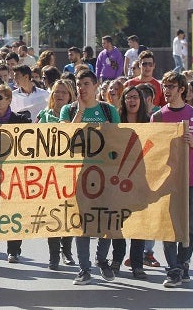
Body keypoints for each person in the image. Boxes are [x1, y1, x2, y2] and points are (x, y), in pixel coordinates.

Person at [59, 70, 120, 285]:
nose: (82, 88)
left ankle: (101, 260)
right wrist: (80, 113)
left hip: (106, 177)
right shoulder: (68, 110)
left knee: (107, 220)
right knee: (82, 223)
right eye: (78, 84)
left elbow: (119, 143)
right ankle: (84, 269)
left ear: (96, 86)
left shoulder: (108, 110)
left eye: (86, 83)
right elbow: (65, 139)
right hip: (79, 176)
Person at [152, 72, 193, 287]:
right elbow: (152, 151)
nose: (166, 90)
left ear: (182, 89)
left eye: (171, 86)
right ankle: (172, 269)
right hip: (167, 180)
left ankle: (184, 264)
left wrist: (192, 143)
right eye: (164, 86)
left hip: (191, 178)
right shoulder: (158, 117)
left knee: (188, 226)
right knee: (168, 225)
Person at [0, 83, 31, 261]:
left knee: (13, 210)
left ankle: (13, 249)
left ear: (9, 99)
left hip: (14, 173)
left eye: (0, 98)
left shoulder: (21, 120)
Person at [36, 79, 77, 269]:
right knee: (52, 213)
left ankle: (66, 251)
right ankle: (53, 255)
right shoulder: (43, 115)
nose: (59, 95)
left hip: (70, 170)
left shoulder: (76, 114)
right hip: (48, 172)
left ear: (71, 96)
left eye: (63, 92)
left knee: (69, 212)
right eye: (56, 92)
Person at [114, 86, 149, 280]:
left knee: (139, 223)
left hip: (140, 180)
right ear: (123, 101)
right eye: (128, 98)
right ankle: (117, 259)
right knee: (118, 223)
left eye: (135, 97)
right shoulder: (117, 123)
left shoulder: (150, 122)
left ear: (141, 101)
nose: (132, 101)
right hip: (118, 180)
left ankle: (137, 264)